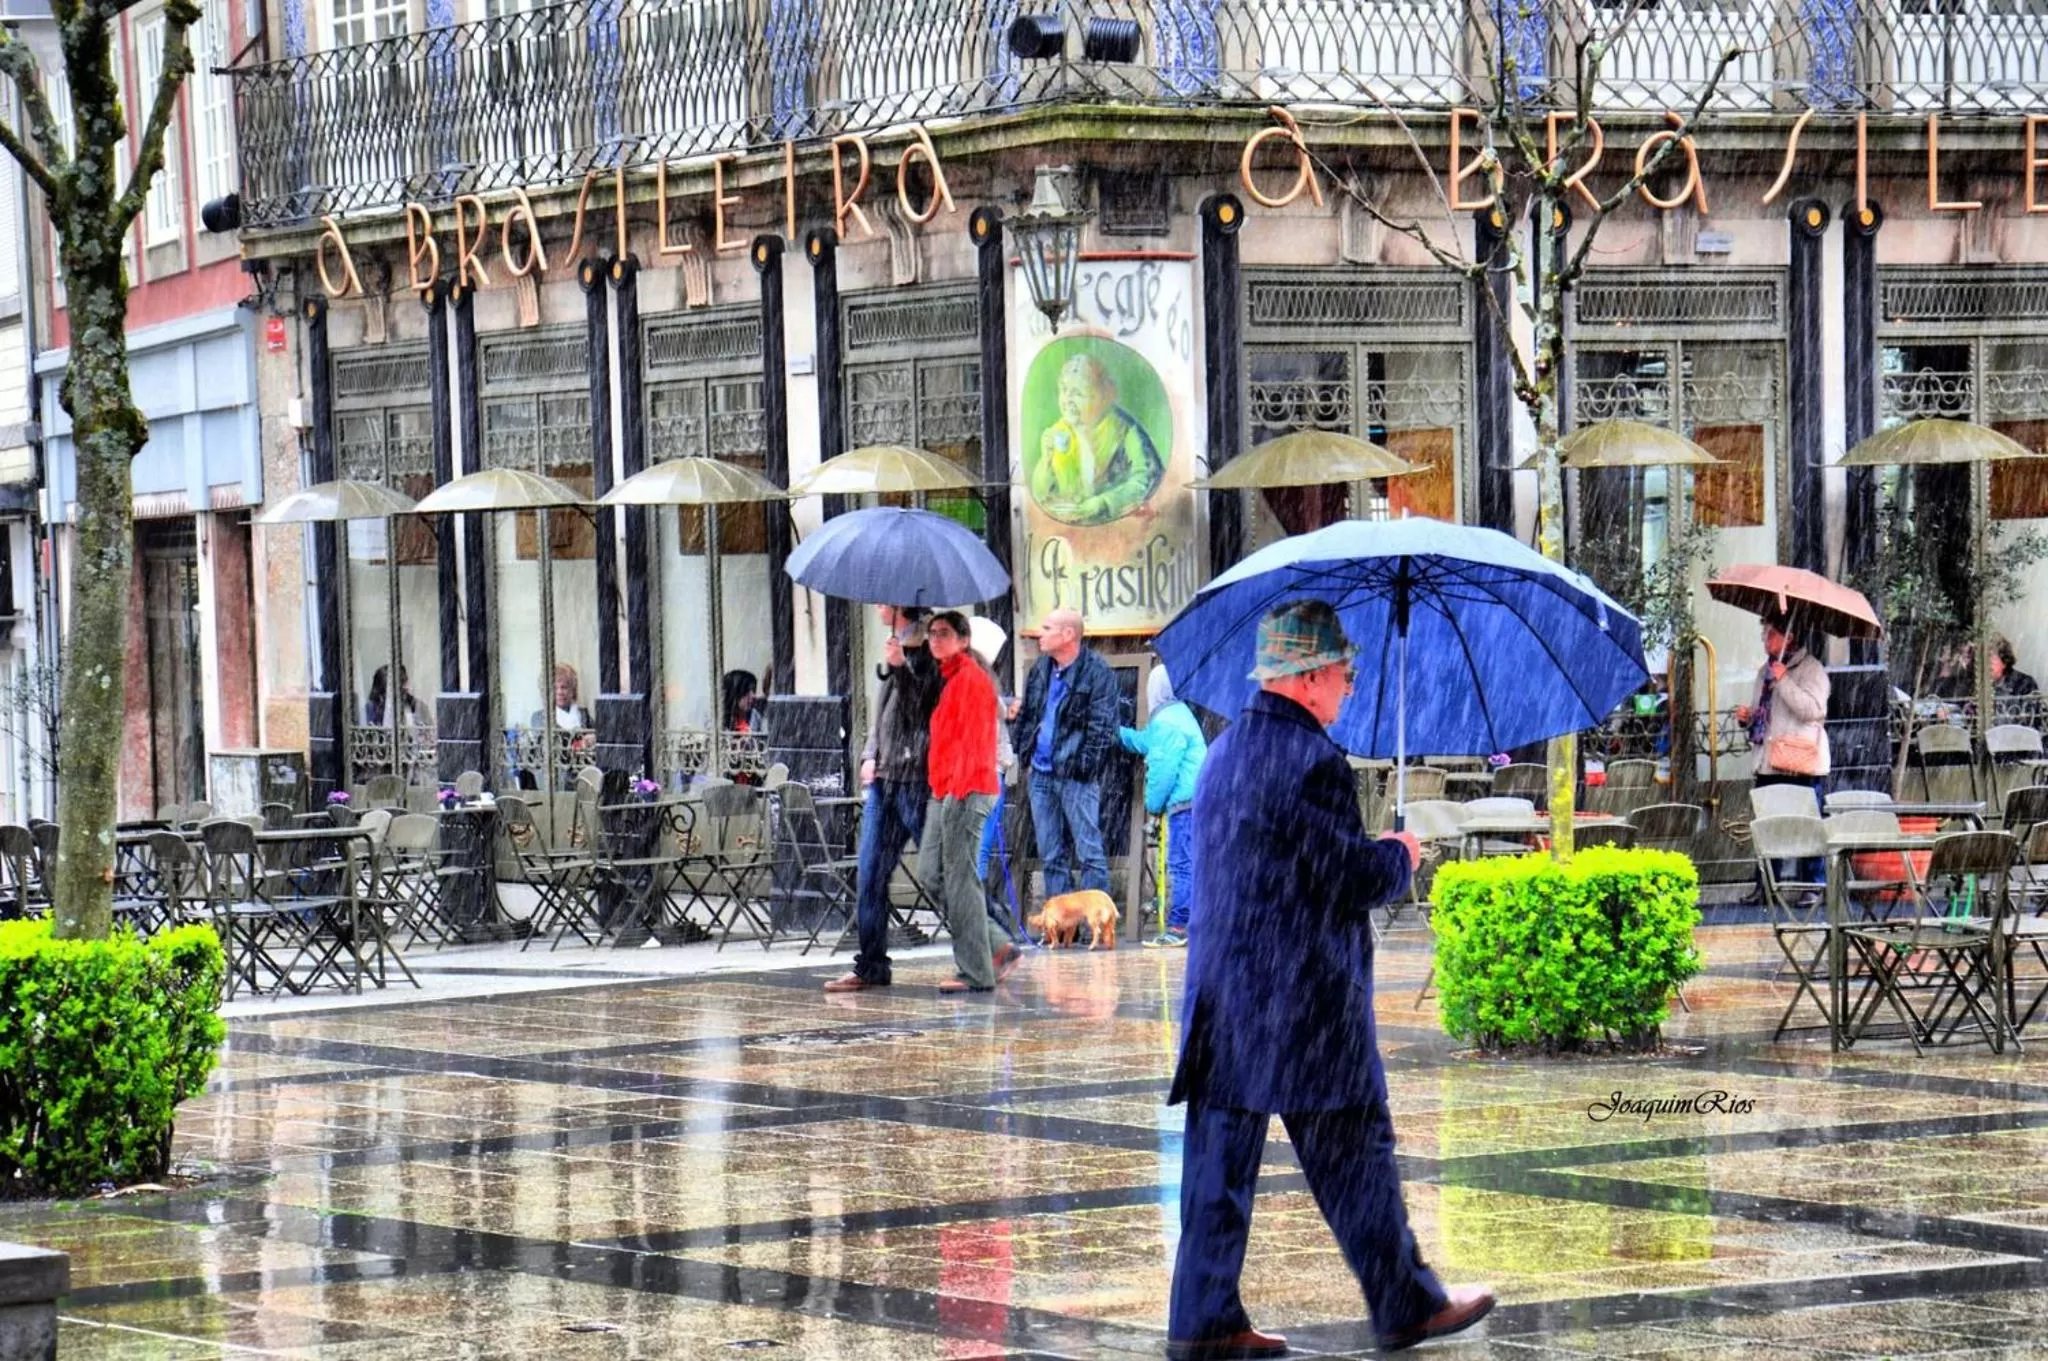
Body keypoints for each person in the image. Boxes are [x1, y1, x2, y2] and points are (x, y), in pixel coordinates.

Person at [1169, 599, 1493, 1358]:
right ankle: (1406, 1302)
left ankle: (1203, 1320)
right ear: (1310, 676)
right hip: (1304, 1003)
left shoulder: (1227, 749)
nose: (1349, 687)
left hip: (1226, 995)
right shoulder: (1310, 760)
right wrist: (1400, 854)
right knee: (1355, 1156)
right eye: (1344, 673)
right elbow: (1346, 875)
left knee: (1217, 1172)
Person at [826, 608, 942, 994]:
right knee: (870, 874)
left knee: (940, 871)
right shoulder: (896, 647)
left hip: (914, 780)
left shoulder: (928, 650)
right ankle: (871, 964)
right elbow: (884, 718)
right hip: (885, 780)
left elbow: (922, 712)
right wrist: (869, 754)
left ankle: (993, 943)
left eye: (883, 603)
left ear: (898, 605)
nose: (877, 609)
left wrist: (902, 669)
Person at [922, 611, 1018, 994]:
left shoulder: (972, 682)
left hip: (966, 789)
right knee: (934, 874)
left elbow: (973, 744)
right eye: (932, 634)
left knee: (960, 880)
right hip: (948, 788)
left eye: (944, 634)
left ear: (964, 640)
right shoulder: (951, 680)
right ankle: (994, 945)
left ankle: (977, 970)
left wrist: (956, 792)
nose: (935, 640)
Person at [1012, 608, 1118, 899]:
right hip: (1040, 773)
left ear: (1068, 634)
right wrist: (1023, 752)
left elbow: (1103, 726)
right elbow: (1028, 715)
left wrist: (1084, 766)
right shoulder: (1040, 669)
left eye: (1047, 628)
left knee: (1089, 851)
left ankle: (1097, 921)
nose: (1040, 634)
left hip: (1076, 776)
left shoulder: (1097, 672)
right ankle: (1064, 926)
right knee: (1050, 853)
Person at [1735, 611, 1830, 884]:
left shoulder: (1812, 670)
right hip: (1768, 760)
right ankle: (1767, 885)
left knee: (1807, 824)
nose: (1765, 639)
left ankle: (1814, 884)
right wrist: (1748, 717)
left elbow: (1813, 710)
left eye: (1772, 634)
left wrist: (1785, 680)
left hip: (1799, 762)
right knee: (1767, 826)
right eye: (1765, 633)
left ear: (1790, 638)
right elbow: (1766, 714)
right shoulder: (1764, 671)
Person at [1119, 664, 1205, 948]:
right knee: (1193, 864)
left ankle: (1179, 927)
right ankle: (1195, 925)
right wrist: (1118, 733)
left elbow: (1163, 771)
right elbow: (1146, 742)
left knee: (1181, 866)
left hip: (1184, 804)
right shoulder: (1178, 715)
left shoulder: (1167, 722)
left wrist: (1153, 806)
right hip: (1198, 800)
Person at [1031, 352, 1166, 526]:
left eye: (1078, 393)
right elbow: (1041, 494)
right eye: (1064, 390)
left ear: (1103, 396)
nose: (1067, 400)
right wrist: (1046, 462)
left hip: (1121, 529)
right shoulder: (1059, 432)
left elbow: (1147, 479)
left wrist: (1102, 503)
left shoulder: (1124, 430)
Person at [531, 663, 591, 732]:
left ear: (572, 690)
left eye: (564, 687)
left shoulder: (584, 715)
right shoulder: (539, 717)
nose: (560, 692)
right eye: (555, 688)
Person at [1992, 635, 2040, 699]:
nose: (1986, 666)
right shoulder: (1977, 685)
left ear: (2004, 662)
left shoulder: (2025, 683)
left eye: (1990, 660)